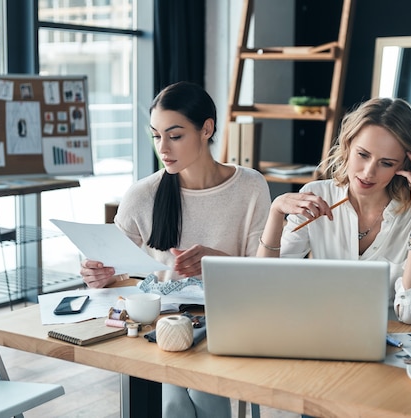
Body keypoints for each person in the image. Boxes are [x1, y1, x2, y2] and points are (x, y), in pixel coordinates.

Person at [80, 81, 271, 418]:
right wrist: (96, 273)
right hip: (163, 325)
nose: (163, 148)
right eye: (156, 136)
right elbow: (113, 267)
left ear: (206, 129)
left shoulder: (250, 186)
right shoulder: (142, 194)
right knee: (175, 400)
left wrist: (214, 260)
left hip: (232, 318)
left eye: (175, 135)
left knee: (194, 395)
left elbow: (263, 272)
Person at [257, 97, 411, 325]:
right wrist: (276, 212)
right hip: (322, 333)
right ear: (347, 145)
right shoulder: (317, 196)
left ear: (405, 166)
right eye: (363, 155)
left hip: (391, 343)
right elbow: (264, 286)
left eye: (386, 163)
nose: (369, 172)